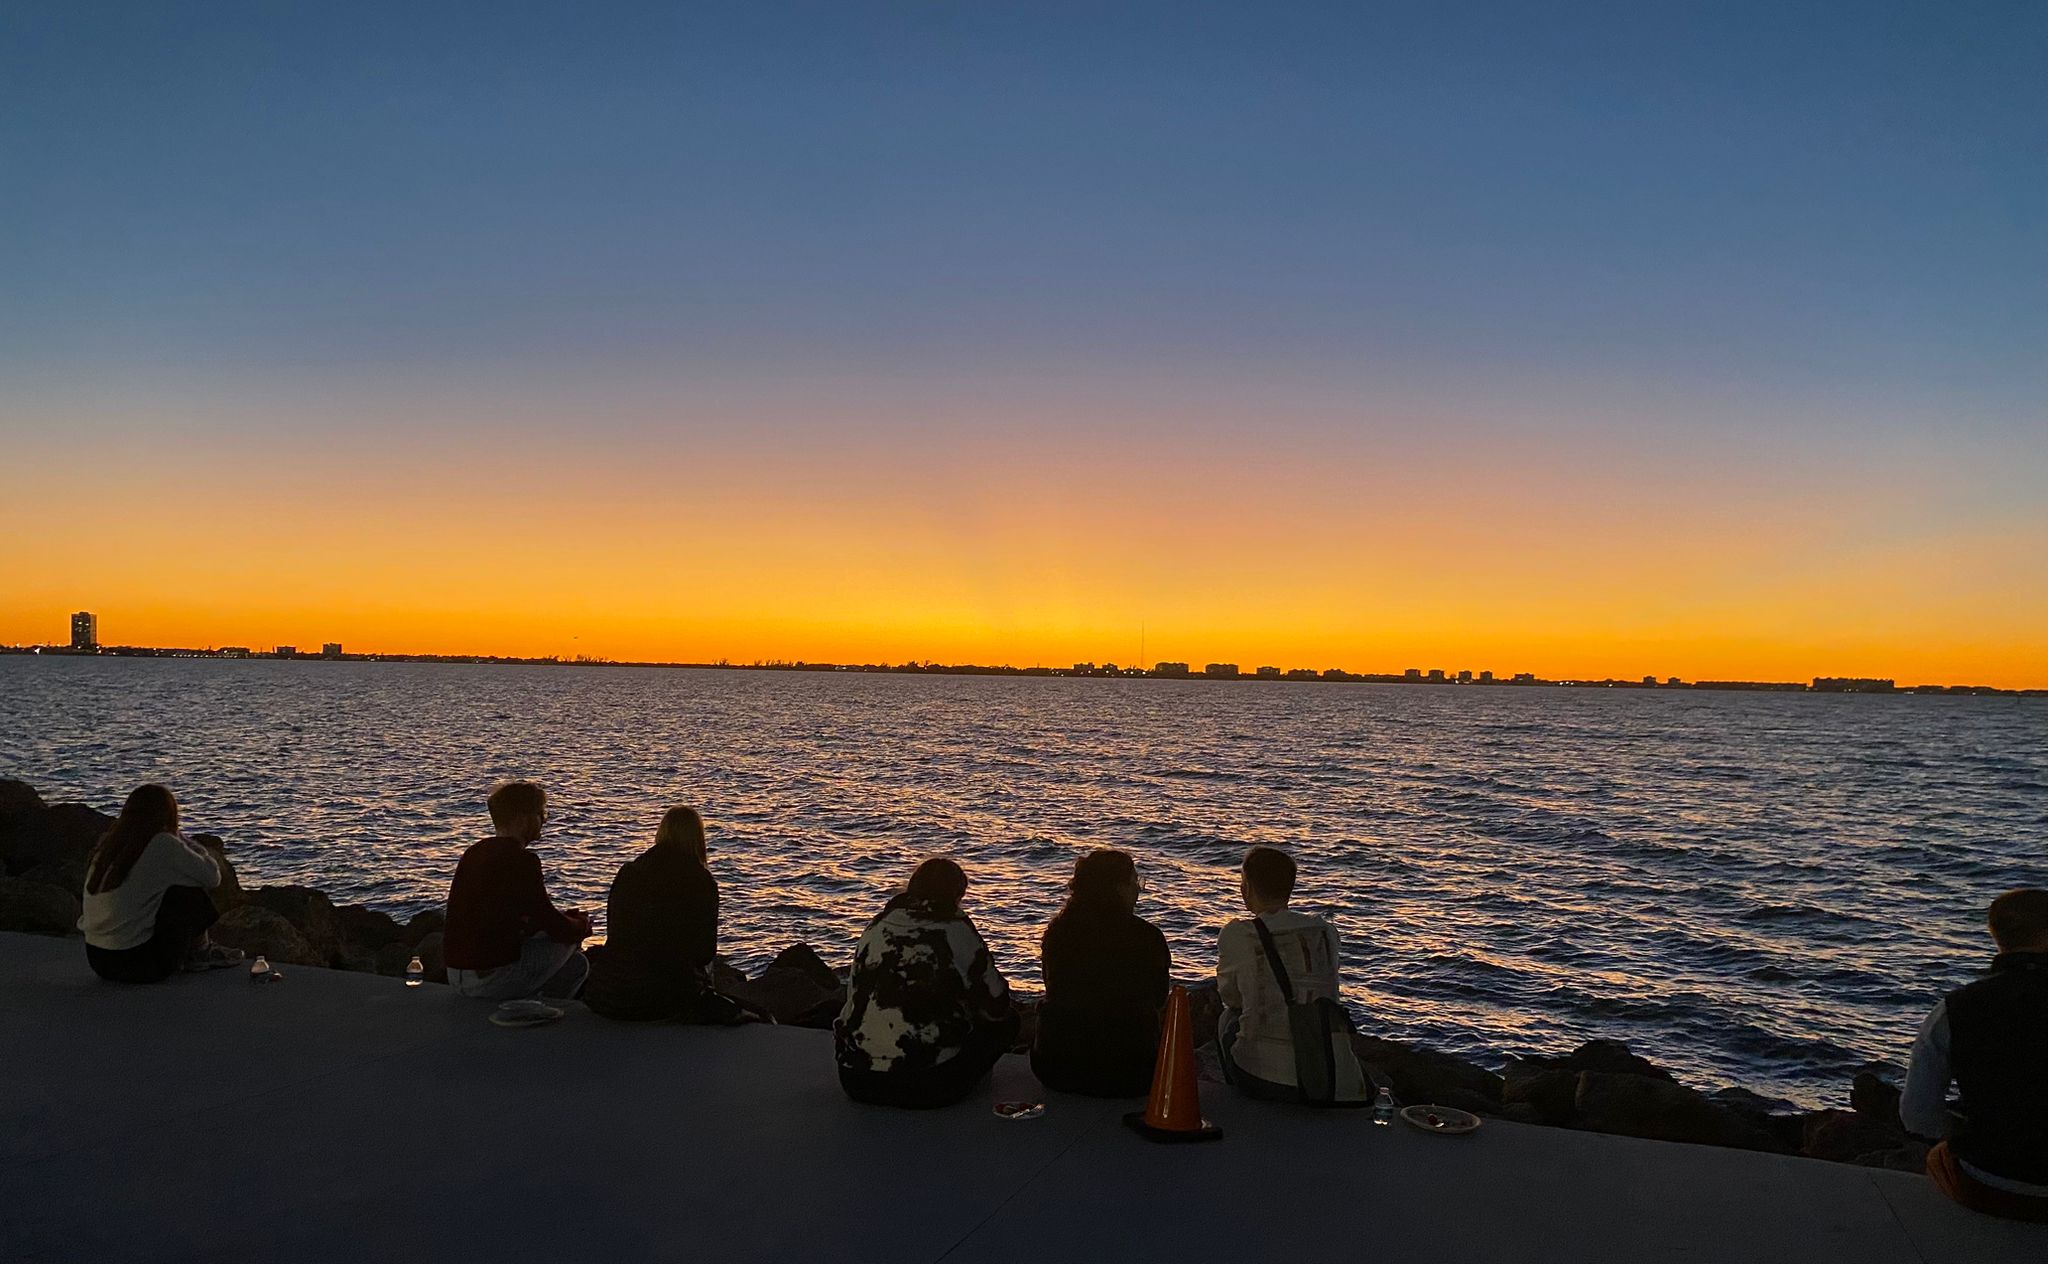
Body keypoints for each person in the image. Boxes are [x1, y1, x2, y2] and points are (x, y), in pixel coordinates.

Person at [1900, 888, 2048, 1222]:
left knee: (1938, 1157)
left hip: (1990, 1186)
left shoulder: (1953, 1009)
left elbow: (1917, 1116)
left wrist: (1965, 1131)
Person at [836, 857, 1019, 1108]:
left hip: (856, 1078)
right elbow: (997, 1005)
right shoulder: (955, 930)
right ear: (957, 895)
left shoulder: (876, 926)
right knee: (1007, 1023)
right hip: (926, 1085)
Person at [1215, 845, 1366, 1102]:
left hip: (1267, 1078)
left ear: (1247, 888)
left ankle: (1240, 1098)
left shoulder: (1238, 934)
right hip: (1331, 1075)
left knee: (1227, 1018)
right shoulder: (1325, 932)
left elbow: (1231, 998)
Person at [582, 806, 745, 1024]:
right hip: (659, 1000)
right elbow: (705, 951)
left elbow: (615, 930)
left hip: (607, 991)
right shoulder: (700, 881)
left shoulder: (630, 872)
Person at [1031, 849, 1171, 1096]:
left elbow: (1052, 986)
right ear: (1117, 887)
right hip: (1131, 1073)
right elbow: (1158, 998)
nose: (1139, 889)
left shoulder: (1059, 932)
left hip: (1057, 1067)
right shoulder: (1147, 937)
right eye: (1134, 882)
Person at [443, 780, 592, 1001]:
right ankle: (534, 1014)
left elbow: (508, 914)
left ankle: (531, 1004)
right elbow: (553, 924)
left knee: (574, 964)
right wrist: (581, 925)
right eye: (541, 814)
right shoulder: (521, 860)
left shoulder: (474, 852)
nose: (545, 820)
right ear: (523, 819)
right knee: (573, 949)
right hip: (489, 979)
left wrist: (562, 920)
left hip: (456, 975)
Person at [80, 784, 244, 983]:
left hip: (99, 960)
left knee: (174, 883)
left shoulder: (109, 845)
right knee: (186, 892)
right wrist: (182, 838)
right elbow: (212, 876)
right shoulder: (163, 844)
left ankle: (199, 951)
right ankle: (201, 951)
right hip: (139, 964)